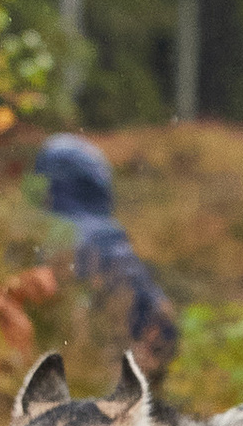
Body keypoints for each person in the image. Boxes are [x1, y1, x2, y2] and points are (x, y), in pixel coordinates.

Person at [30, 133, 181, 383]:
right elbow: (157, 313)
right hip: (97, 373)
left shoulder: (35, 231)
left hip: (47, 366)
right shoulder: (105, 235)